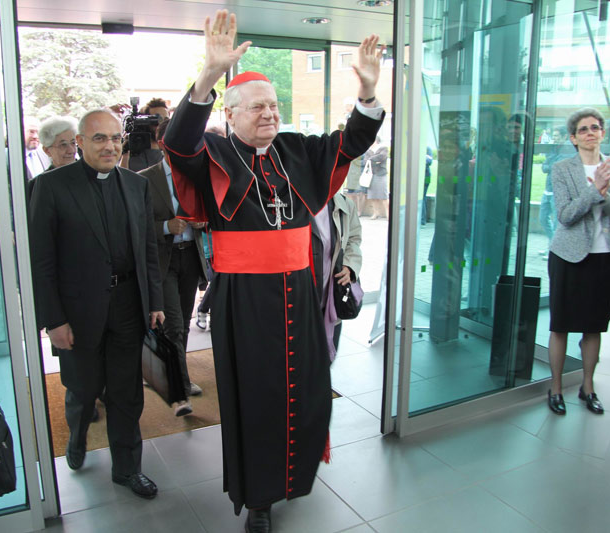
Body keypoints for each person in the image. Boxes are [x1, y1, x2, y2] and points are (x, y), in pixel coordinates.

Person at [161, 10, 384, 532]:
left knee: (307, 386)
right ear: (231, 113)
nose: (270, 113)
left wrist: (368, 92)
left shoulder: (297, 150)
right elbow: (177, 142)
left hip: (300, 293)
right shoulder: (214, 153)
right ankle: (259, 498)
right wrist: (208, 74)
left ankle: (295, 475)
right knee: (257, 395)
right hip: (244, 298)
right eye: (258, 106)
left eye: (275, 105)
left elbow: (352, 142)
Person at [29, 108, 165, 499]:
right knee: (83, 387)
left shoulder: (136, 185)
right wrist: (53, 320)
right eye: (99, 138)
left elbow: (147, 249)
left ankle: (128, 468)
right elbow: (41, 261)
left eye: (115, 138)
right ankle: (77, 437)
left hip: (127, 304)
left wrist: (154, 300)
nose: (110, 146)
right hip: (77, 312)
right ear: (80, 143)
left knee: (126, 392)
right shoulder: (51, 186)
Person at [546, 107, 610, 415]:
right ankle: (556, 388)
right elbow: (565, 215)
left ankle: (588, 387)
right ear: (573, 138)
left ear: (603, 133)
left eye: (594, 127)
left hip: (605, 257)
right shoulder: (562, 169)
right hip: (567, 256)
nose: (589, 133)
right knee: (560, 326)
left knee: (594, 326)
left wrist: (606, 197)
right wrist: (594, 190)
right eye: (582, 129)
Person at [139, 118, 208, 417]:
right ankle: (180, 391)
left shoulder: (197, 175)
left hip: (190, 257)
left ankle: (175, 375)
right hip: (162, 261)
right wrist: (166, 227)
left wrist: (204, 222)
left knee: (183, 324)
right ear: (163, 144)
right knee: (174, 325)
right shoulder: (144, 179)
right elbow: (136, 227)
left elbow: (211, 212)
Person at [311, 191, 363, 361]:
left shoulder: (344, 204)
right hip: (302, 297)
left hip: (331, 296)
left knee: (326, 358)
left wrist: (349, 265)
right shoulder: (296, 202)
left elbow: (354, 239)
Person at [539, 127, 573, 259]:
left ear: (565, 137)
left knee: (556, 223)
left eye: (557, 136)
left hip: (558, 192)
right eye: (553, 136)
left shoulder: (568, 149)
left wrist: (550, 164)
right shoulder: (553, 148)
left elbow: (557, 167)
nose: (554, 138)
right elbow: (545, 167)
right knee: (543, 218)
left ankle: (554, 249)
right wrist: (551, 165)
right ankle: (551, 244)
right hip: (547, 189)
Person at [364, 136, 389, 220]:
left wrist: (371, 160)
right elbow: (365, 161)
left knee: (383, 195)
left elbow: (382, 157)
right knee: (373, 195)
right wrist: (375, 161)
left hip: (381, 174)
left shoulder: (383, 148)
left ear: (376, 141)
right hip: (371, 175)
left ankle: (388, 214)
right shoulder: (368, 151)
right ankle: (375, 213)